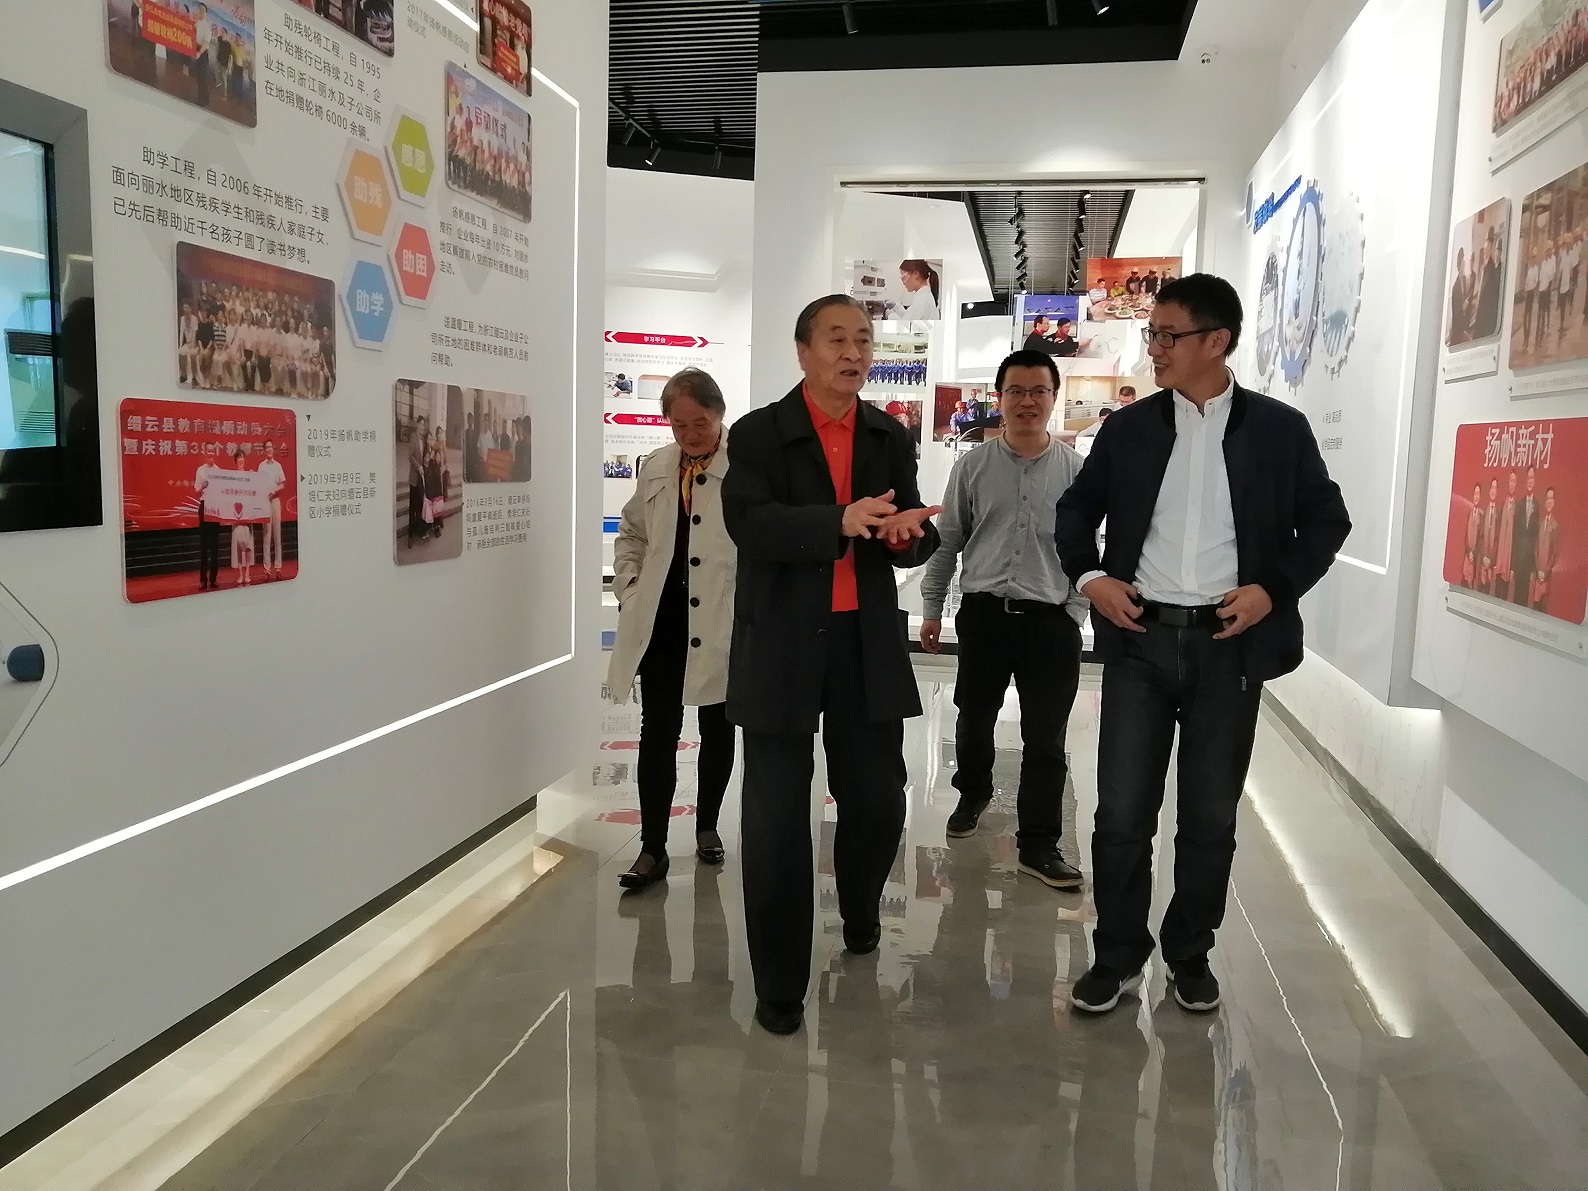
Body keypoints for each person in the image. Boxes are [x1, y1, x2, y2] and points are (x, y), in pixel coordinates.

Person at [1054, 273, 1350, 1015]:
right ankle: (1117, 953)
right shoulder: (1128, 429)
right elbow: (1075, 510)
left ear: (1217, 341)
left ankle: (1190, 952)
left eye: (1167, 335)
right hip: (1141, 641)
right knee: (1122, 814)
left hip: (1229, 647)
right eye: (1151, 334)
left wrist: (1272, 589)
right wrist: (1091, 577)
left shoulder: (1278, 430)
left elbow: (1326, 521)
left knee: (1210, 817)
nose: (1154, 348)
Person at [722, 294, 942, 1036]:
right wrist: (836, 520)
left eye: (864, 340)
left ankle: (860, 909)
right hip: (781, 641)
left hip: (863, 640)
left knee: (877, 799)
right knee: (777, 820)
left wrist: (909, 537)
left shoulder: (888, 434)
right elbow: (749, 522)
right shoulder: (759, 433)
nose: (854, 352)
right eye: (837, 339)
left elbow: (908, 527)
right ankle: (780, 983)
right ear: (803, 351)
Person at [919, 349, 1087, 889]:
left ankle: (1039, 843)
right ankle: (972, 794)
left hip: (1050, 622)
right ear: (1000, 398)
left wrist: (1074, 611)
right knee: (974, 717)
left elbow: (1087, 549)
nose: (1027, 401)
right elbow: (948, 541)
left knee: (1046, 736)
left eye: (1038, 391)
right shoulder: (972, 466)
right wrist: (931, 607)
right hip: (985, 615)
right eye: (1016, 391)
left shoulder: (1076, 472)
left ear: (1053, 397)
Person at [608, 369, 737, 890]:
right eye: (679, 425)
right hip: (663, 621)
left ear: (719, 414)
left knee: (717, 725)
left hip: (719, 619)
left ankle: (707, 826)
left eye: (699, 423)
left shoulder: (744, 467)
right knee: (657, 731)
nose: (690, 435)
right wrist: (630, 588)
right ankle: (652, 848)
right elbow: (632, 532)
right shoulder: (658, 466)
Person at [194, 442, 224, 590]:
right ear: (205, 453)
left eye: (213, 451)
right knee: (204, 546)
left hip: (215, 507)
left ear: (215, 453)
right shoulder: (200, 470)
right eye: (208, 451)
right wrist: (203, 486)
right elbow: (196, 491)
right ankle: (203, 580)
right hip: (204, 506)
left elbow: (222, 491)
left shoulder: (219, 471)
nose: (211, 453)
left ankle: (213, 579)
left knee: (214, 546)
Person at [256, 439, 286, 580]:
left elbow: (282, 484)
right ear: (264, 450)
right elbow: (258, 483)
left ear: (273, 449)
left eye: (270, 447)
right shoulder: (261, 466)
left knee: (277, 535)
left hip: (275, 501)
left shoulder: (278, 466)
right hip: (265, 502)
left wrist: (274, 491)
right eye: (266, 447)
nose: (269, 449)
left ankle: (278, 568)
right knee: (266, 535)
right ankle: (267, 570)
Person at [1512, 466, 1541, 607]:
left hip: (1528, 563)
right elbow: (1515, 536)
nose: (1530, 481)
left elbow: (1536, 538)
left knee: (1524, 600)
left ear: (1535, 481)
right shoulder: (1519, 504)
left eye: (1532, 478)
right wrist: (1513, 564)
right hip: (1518, 561)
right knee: (1516, 598)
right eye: (1528, 478)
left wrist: (1533, 567)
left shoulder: (1537, 505)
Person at [1532, 487, 1559, 612]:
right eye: (1547, 498)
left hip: (1546, 576)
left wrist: (1545, 571)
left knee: (1543, 609)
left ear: (1554, 502)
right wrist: (1538, 570)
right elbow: (1535, 548)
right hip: (1537, 574)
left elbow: (1554, 552)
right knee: (1534, 607)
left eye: (1551, 498)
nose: (1549, 501)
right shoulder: (1540, 523)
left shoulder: (1555, 526)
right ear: (1545, 501)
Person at [1495, 469, 1518, 600]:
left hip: (1508, 562)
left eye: (1514, 481)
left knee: (1504, 598)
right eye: (1510, 480)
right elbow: (1497, 533)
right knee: (1495, 596)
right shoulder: (1502, 504)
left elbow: (1517, 539)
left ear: (1516, 483)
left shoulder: (1518, 507)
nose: (1511, 484)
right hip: (1498, 560)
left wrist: (1513, 565)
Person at [406, 414, 428, 547]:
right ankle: (410, 535)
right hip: (414, 477)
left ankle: (417, 530)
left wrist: (425, 463)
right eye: (421, 424)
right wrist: (418, 466)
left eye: (424, 425)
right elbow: (410, 456)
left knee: (420, 505)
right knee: (412, 507)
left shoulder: (423, 439)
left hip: (421, 478)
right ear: (417, 425)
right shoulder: (413, 437)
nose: (422, 427)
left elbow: (423, 455)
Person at [1480, 476, 1500, 592]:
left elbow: (1497, 539)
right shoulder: (1483, 511)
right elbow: (1481, 537)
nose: (1493, 490)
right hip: (1482, 561)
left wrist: (1490, 559)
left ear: (1497, 491)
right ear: (1489, 490)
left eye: (1495, 488)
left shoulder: (1499, 513)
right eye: (1492, 487)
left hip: (1491, 563)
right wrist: (1484, 557)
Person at [1449, 247, 1473, 345]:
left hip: (1460, 326)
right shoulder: (1456, 287)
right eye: (1463, 263)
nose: (1465, 265)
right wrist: (1464, 306)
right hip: (1457, 328)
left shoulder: (1462, 281)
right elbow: (1457, 312)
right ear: (1459, 266)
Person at [1463, 482, 1483, 588]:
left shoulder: (1481, 516)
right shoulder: (1468, 513)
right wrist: (1468, 552)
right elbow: (1465, 535)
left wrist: (1474, 554)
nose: (1476, 497)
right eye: (1475, 494)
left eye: (1478, 494)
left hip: (1475, 558)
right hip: (1467, 557)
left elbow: (1481, 539)